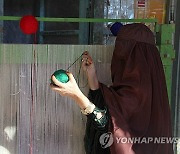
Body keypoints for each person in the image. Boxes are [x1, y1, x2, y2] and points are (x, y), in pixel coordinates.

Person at [50, 23, 173, 154]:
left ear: (130, 54)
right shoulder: (149, 85)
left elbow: (109, 124)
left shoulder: (139, 89)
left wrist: (76, 95)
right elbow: (113, 108)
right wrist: (92, 77)